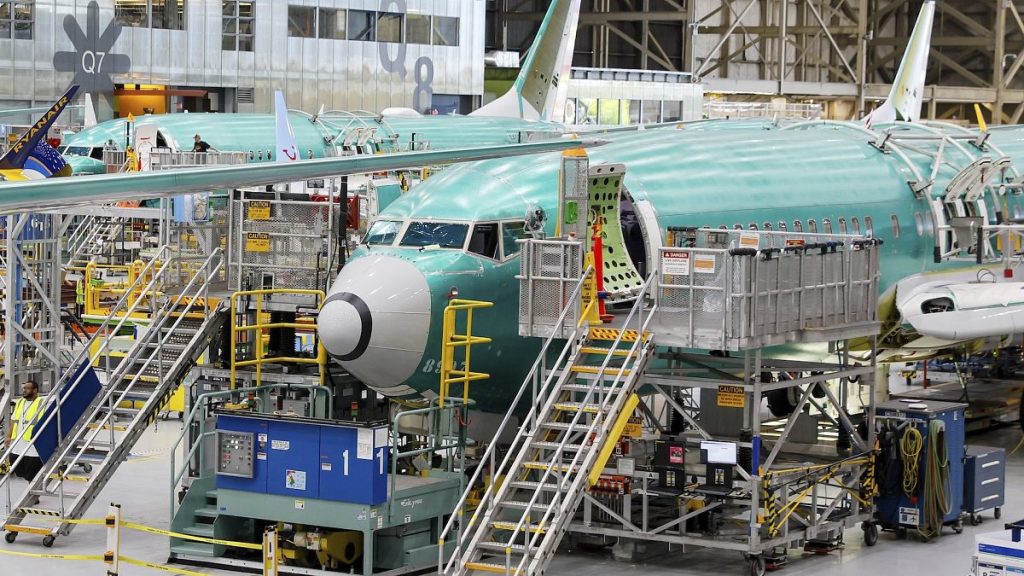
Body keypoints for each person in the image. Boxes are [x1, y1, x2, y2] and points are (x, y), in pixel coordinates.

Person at [7, 381, 44, 481]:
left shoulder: (42, 402)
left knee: (32, 473)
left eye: (27, 388)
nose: (24, 390)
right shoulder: (20, 402)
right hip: (17, 443)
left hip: (31, 444)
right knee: (18, 470)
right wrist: (8, 436)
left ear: (35, 390)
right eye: (24, 388)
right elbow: (14, 420)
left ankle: (33, 494)